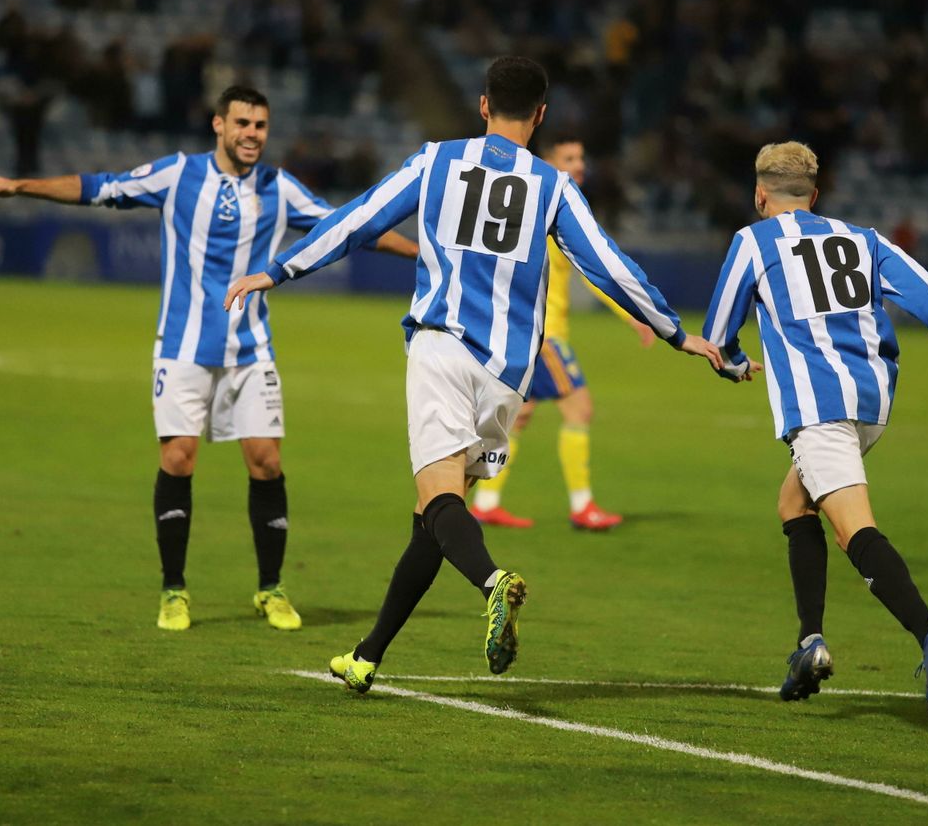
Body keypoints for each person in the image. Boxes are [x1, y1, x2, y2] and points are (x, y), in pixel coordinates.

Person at [224, 57, 724, 693]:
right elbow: (613, 268)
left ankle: (493, 583)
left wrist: (279, 270)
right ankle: (367, 655)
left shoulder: (437, 162)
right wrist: (679, 334)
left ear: (483, 106)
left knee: (441, 503)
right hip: (508, 376)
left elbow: (357, 221)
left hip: (442, 351)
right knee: (431, 517)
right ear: (539, 116)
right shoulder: (554, 187)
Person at [0, 86, 418, 634]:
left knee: (267, 462)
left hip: (251, 349)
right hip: (181, 347)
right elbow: (97, 188)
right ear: (218, 125)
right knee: (179, 459)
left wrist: (423, 254)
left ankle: (271, 588)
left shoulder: (280, 188)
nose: (252, 134)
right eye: (243, 124)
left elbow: (352, 228)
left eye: (261, 126)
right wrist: (20, 186)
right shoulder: (178, 175)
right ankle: (173, 589)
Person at [707, 142, 928, 721]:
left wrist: (735, 361)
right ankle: (809, 641)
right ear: (815, 195)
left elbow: (717, 332)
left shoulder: (753, 241)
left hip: (818, 408)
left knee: (853, 530)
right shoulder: (862, 239)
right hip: (872, 402)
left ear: (759, 193)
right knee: (794, 502)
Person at [470, 133, 653, 531]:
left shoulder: (531, 203)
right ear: (550, 163)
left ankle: (485, 501)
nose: (579, 164)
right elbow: (593, 270)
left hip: (522, 332)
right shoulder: (556, 207)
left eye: (581, 156)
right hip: (545, 335)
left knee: (521, 417)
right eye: (570, 157)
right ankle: (583, 506)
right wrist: (633, 314)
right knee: (578, 408)